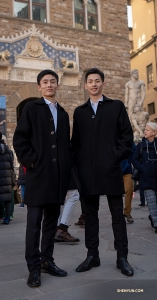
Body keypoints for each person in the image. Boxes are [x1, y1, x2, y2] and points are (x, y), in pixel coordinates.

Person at [71, 68, 134, 276]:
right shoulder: (80, 112)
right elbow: (76, 142)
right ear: (85, 86)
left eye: (98, 81)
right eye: (90, 81)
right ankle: (92, 255)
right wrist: (79, 163)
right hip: (88, 172)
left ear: (103, 84)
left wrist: (114, 156)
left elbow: (127, 137)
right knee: (90, 215)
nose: (94, 84)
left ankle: (122, 257)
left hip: (112, 169)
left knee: (118, 214)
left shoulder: (116, 106)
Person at [13, 69, 72, 288]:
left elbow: (66, 146)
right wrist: (33, 163)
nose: (49, 85)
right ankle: (34, 267)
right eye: (45, 82)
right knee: (34, 225)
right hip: (38, 177)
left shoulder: (63, 113)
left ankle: (47, 260)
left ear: (57, 85)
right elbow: (20, 140)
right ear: (39, 87)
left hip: (57, 179)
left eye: (52, 82)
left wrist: (66, 171)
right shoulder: (31, 108)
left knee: (50, 224)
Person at [132, 122, 157, 234]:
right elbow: (134, 160)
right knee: (151, 203)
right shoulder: (140, 145)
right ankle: (156, 224)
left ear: (154, 132)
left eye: (148, 129)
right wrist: (143, 168)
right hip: (146, 179)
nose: (145, 131)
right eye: (145, 129)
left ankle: (153, 218)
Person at [55, 167, 80, 243]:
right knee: (73, 195)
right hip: (64, 164)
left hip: (52, 165)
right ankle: (62, 229)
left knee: (58, 196)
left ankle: (56, 229)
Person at [120, 142, 136, 223]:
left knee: (129, 189)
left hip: (127, 170)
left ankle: (127, 212)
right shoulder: (112, 137)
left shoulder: (129, 141)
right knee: (116, 193)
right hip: (115, 171)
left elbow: (134, 154)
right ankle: (118, 213)